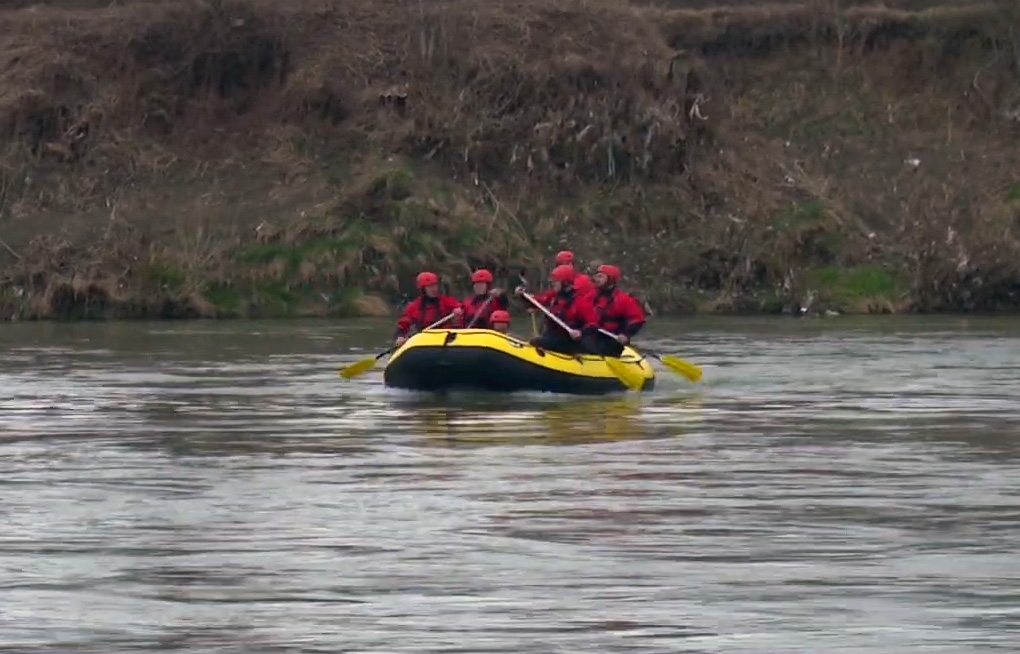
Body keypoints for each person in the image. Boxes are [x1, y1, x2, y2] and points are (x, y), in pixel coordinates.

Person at [514, 264, 599, 354]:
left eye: (555, 281)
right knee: (538, 341)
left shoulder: (580, 302)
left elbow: (593, 324)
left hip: (569, 342)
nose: (552, 284)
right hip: (552, 337)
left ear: (565, 283)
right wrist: (522, 296)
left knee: (536, 342)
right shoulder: (553, 296)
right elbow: (537, 301)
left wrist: (581, 332)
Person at [394, 271, 462, 346]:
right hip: (425, 340)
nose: (434, 289)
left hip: (446, 339)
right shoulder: (414, 306)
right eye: (430, 287)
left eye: (435, 285)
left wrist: (458, 311)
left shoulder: (447, 301)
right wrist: (400, 336)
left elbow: (461, 307)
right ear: (423, 289)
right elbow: (403, 325)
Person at [591, 264, 646, 353]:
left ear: (611, 279)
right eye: (597, 276)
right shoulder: (591, 295)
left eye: (600, 276)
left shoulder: (624, 299)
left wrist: (625, 335)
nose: (596, 279)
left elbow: (637, 321)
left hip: (613, 339)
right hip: (594, 336)